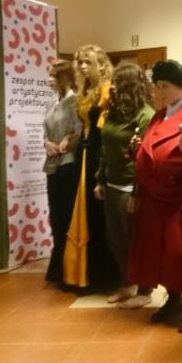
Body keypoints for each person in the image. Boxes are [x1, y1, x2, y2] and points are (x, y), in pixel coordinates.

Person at [128, 59, 182, 332]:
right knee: (158, 250)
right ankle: (174, 299)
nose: (160, 91)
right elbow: (153, 150)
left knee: (179, 251)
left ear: (181, 86)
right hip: (154, 195)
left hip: (176, 195)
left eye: (165, 86)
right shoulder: (158, 115)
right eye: (158, 86)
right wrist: (137, 149)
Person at [93, 63, 155, 307]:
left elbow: (146, 159)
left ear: (130, 85)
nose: (113, 87)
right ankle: (128, 284)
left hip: (131, 187)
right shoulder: (113, 112)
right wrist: (101, 180)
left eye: (118, 83)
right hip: (112, 184)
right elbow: (105, 149)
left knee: (136, 242)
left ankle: (145, 290)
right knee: (116, 240)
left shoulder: (145, 115)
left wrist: (138, 192)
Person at [63, 44, 121, 292]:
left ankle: (102, 275)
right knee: (81, 207)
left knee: (98, 212)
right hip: (83, 152)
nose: (84, 67)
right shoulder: (84, 91)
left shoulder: (107, 90)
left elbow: (106, 127)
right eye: (81, 63)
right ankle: (80, 272)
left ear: (101, 64)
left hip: (99, 151)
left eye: (88, 62)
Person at [43, 59, 81, 285]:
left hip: (68, 163)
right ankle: (57, 266)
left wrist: (68, 140)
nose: (49, 80)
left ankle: (69, 269)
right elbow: (46, 131)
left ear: (65, 78)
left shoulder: (74, 101)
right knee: (56, 216)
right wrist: (46, 143)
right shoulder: (51, 102)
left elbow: (78, 130)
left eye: (53, 76)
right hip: (52, 164)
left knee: (66, 216)